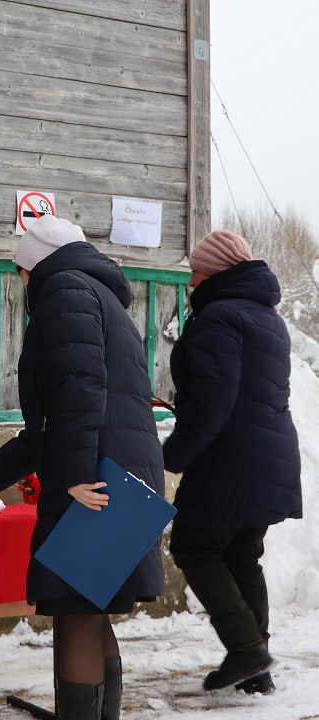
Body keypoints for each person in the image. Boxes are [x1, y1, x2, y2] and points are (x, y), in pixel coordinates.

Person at [0, 215, 166, 720]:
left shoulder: (64, 291)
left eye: (21, 273)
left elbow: (79, 392)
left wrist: (76, 473)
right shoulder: (101, 296)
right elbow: (54, 419)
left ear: (33, 265)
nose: (23, 284)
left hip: (96, 474)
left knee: (77, 611)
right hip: (119, 467)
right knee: (92, 610)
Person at [162, 230, 302, 694]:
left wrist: (172, 457)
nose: (191, 281)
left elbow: (211, 404)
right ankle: (256, 668)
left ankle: (246, 650)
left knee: (195, 545)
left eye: (196, 272)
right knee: (243, 554)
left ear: (216, 273)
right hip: (268, 453)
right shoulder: (266, 318)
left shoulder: (219, 318)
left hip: (231, 457)